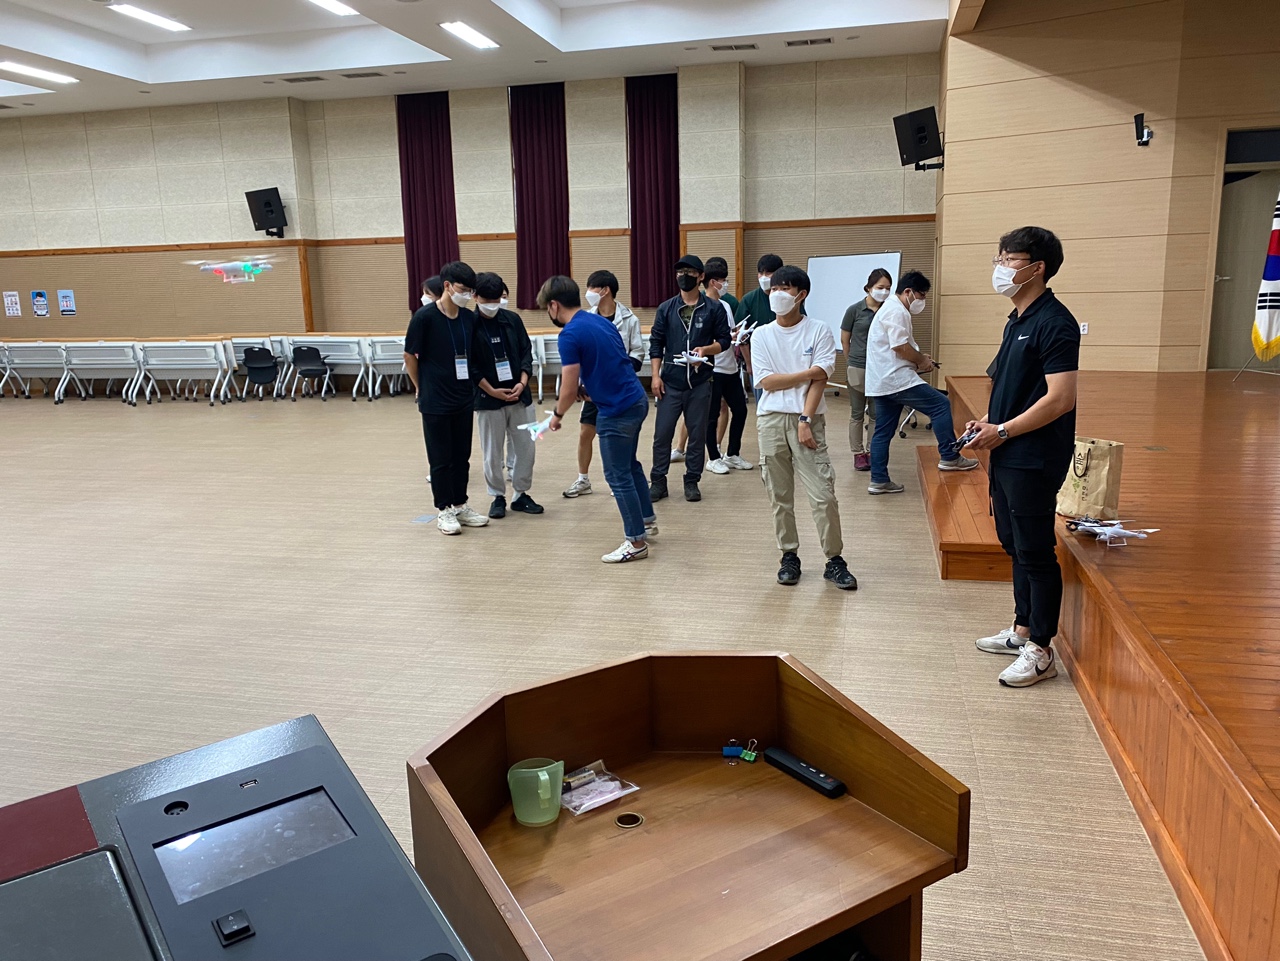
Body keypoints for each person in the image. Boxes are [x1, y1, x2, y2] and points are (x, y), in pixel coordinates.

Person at [965, 227, 1080, 688]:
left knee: (1035, 550)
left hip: (1034, 454)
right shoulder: (1016, 319)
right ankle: (1022, 629)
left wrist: (1003, 430)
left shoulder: (1055, 322)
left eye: (1009, 260)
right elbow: (1013, 389)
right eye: (999, 258)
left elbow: (1061, 398)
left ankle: (1042, 649)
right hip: (1007, 449)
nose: (1000, 267)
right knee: (1014, 543)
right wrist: (987, 422)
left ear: (1037, 267)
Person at [751, 265, 856, 590]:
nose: (777, 294)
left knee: (823, 495)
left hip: (807, 420)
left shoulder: (818, 330)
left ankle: (834, 560)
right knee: (779, 495)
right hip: (770, 421)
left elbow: (821, 379)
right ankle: (789, 556)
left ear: (801, 294)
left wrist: (805, 419)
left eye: (784, 288)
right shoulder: (761, 334)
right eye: (773, 288)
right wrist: (807, 372)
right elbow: (766, 382)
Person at [543, 276, 657, 564]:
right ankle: (646, 520)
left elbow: (567, 388)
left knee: (617, 475)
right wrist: (591, 388)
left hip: (617, 411)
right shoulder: (599, 321)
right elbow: (613, 363)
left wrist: (557, 415)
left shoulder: (569, 335)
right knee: (629, 466)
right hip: (635, 400)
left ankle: (636, 542)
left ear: (554, 305)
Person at [864, 270, 978, 494]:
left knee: (883, 432)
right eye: (922, 295)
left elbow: (898, 348)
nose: (923, 300)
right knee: (941, 405)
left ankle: (878, 480)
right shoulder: (897, 310)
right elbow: (900, 347)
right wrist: (921, 361)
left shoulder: (890, 308)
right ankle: (950, 456)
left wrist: (920, 359)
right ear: (908, 292)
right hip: (896, 380)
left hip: (882, 382)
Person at [403, 261, 489, 535]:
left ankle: (461, 504)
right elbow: (410, 355)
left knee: (462, 456)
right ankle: (444, 509)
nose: (467, 295)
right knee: (440, 458)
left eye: (470, 291)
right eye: (463, 289)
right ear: (448, 286)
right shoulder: (424, 317)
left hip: (463, 397)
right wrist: (421, 387)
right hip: (435, 400)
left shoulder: (468, 318)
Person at [648, 254, 731, 503]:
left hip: (700, 381)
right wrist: (655, 376)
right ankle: (658, 481)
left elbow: (725, 341)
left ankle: (692, 480)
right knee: (662, 434)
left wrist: (705, 350)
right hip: (670, 382)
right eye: (680, 273)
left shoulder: (713, 308)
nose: (684, 277)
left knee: (697, 434)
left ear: (700, 276)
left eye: (690, 273)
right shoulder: (666, 308)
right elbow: (656, 343)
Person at [563, 270, 645, 498]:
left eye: (591, 288)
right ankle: (583, 479)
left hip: (619, 390)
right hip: (593, 389)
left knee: (622, 437)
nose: (588, 293)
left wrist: (616, 372)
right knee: (585, 432)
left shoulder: (629, 318)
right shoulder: (586, 318)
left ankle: (622, 477)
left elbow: (638, 353)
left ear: (605, 290)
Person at [470, 271, 543, 519]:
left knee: (526, 447)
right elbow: (470, 365)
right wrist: (491, 390)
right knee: (492, 451)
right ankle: (497, 496)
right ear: (475, 296)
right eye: (487, 300)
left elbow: (526, 352)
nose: (493, 304)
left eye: (497, 299)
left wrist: (523, 382)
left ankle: (521, 494)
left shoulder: (512, 319)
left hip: (520, 394)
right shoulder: (469, 324)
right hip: (487, 398)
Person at [702, 257, 752, 474]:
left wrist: (738, 334)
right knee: (711, 415)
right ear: (713, 282)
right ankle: (713, 457)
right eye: (723, 280)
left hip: (730, 367)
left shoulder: (725, 305)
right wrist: (725, 339)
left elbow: (728, 332)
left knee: (740, 410)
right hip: (713, 368)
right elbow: (702, 339)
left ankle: (732, 453)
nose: (725, 284)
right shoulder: (702, 306)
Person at [840, 269, 891, 472]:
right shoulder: (854, 310)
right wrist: (851, 361)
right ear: (869, 288)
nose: (884, 292)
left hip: (881, 368)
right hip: (858, 366)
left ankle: (872, 451)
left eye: (888, 288)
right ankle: (858, 453)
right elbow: (845, 339)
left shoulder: (889, 310)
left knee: (877, 413)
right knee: (857, 413)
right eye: (880, 287)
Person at [737, 253, 805, 400]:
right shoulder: (749, 299)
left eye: (768, 273)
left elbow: (800, 326)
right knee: (764, 399)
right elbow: (741, 336)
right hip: (761, 360)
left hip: (788, 357)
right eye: (760, 273)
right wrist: (749, 363)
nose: (763, 277)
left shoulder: (791, 298)